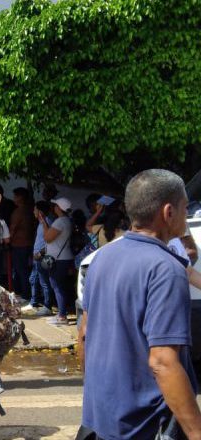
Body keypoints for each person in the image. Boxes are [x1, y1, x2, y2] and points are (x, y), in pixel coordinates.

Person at [79, 169, 201, 439]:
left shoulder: (101, 258)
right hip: (145, 423)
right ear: (169, 212)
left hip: (104, 419)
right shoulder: (166, 269)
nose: (186, 215)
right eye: (185, 208)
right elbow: (163, 362)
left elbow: (84, 334)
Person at [37, 197, 74, 325]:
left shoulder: (60, 222)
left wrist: (43, 223)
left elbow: (48, 238)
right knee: (60, 286)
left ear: (59, 208)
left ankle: (62, 316)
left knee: (57, 286)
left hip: (58, 259)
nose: (54, 207)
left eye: (55, 205)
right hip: (64, 257)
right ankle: (61, 313)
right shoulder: (67, 220)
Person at [23, 201, 55, 316]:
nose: (33, 212)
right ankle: (34, 302)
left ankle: (47, 306)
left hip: (42, 257)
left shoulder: (48, 222)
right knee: (33, 279)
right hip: (36, 257)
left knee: (44, 282)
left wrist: (40, 253)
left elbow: (50, 241)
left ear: (40, 211)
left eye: (35, 209)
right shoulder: (41, 223)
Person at [9, 188, 35, 302]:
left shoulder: (18, 212)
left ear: (20, 197)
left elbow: (13, 229)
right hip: (28, 244)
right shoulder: (29, 210)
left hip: (19, 245)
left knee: (21, 271)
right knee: (24, 270)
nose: (14, 198)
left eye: (15, 196)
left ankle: (25, 294)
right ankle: (23, 293)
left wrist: (8, 240)